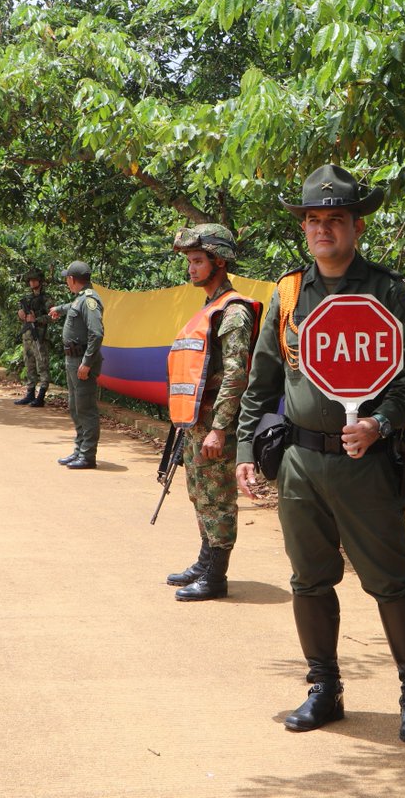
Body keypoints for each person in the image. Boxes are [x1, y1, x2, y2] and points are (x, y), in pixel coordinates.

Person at [234, 164, 405, 743]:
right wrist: (248, 445)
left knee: (391, 582)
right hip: (299, 462)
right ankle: (324, 689)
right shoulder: (289, 292)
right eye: (313, 220)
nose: (324, 229)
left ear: (357, 226)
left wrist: (381, 423)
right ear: (304, 229)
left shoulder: (387, 290)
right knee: (309, 580)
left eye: (336, 219)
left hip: (366, 464)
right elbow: (262, 379)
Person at [165, 224, 260, 601]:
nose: (191, 268)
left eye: (198, 261)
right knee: (199, 494)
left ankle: (216, 577)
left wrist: (219, 429)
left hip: (216, 426)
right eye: (189, 261)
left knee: (218, 500)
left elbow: (237, 374)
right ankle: (205, 563)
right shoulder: (209, 307)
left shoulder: (233, 311)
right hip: (196, 424)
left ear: (219, 262)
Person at [49, 261, 103, 469]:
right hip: (73, 360)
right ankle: (79, 450)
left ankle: (88, 455)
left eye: (67, 279)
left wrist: (87, 362)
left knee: (86, 408)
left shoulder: (90, 301)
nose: (66, 282)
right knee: (75, 407)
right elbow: (71, 307)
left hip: (82, 362)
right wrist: (58, 309)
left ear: (72, 280)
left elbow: (96, 333)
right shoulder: (80, 299)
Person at [13, 267, 52, 407]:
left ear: (40, 281)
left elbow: (53, 317)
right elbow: (22, 315)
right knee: (29, 364)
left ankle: (41, 396)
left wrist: (37, 319)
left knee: (42, 365)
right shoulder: (27, 298)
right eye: (30, 280)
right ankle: (30, 393)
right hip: (27, 336)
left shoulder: (47, 299)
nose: (31, 282)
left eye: (34, 280)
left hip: (39, 337)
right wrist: (21, 314)